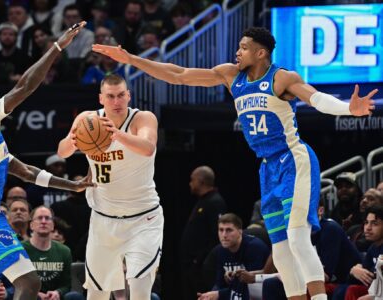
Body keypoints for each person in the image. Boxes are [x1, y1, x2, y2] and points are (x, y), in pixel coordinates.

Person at [93, 26, 377, 300]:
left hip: (294, 160)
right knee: (279, 250)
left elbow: (316, 99)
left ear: (261, 53)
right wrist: (131, 59)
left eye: (244, 47)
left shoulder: (282, 79)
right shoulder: (231, 76)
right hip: (267, 167)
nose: (237, 52)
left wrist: (348, 109)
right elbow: (178, 74)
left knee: (297, 237)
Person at [0, 21, 92, 300]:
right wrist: (57, 47)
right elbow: (24, 86)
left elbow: (25, 172)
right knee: (29, 283)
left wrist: (72, 187)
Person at [57, 74, 163, 300]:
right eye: (111, 96)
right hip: (104, 218)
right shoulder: (87, 119)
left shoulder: (142, 118)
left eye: (121, 95)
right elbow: (62, 151)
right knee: (96, 294)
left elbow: (148, 147)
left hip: (143, 218)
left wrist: (117, 134)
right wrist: (74, 141)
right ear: (101, 98)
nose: (117, 102)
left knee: (140, 290)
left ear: (129, 96)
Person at [197, 213, 270, 300]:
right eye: (221, 230)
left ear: (240, 231)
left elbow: (253, 287)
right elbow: (220, 284)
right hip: (238, 292)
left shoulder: (254, 247)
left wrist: (219, 294)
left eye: (229, 230)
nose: (224, 235)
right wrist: (210, 296)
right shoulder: (221, 249)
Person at [180, 165, 227, 299]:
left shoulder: (215, 202)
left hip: (204, 265)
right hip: (193, 265)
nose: (190, 183)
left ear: (201, 181)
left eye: (192, 180)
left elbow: (216, 235)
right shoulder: (203, 201)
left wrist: (200, 259)